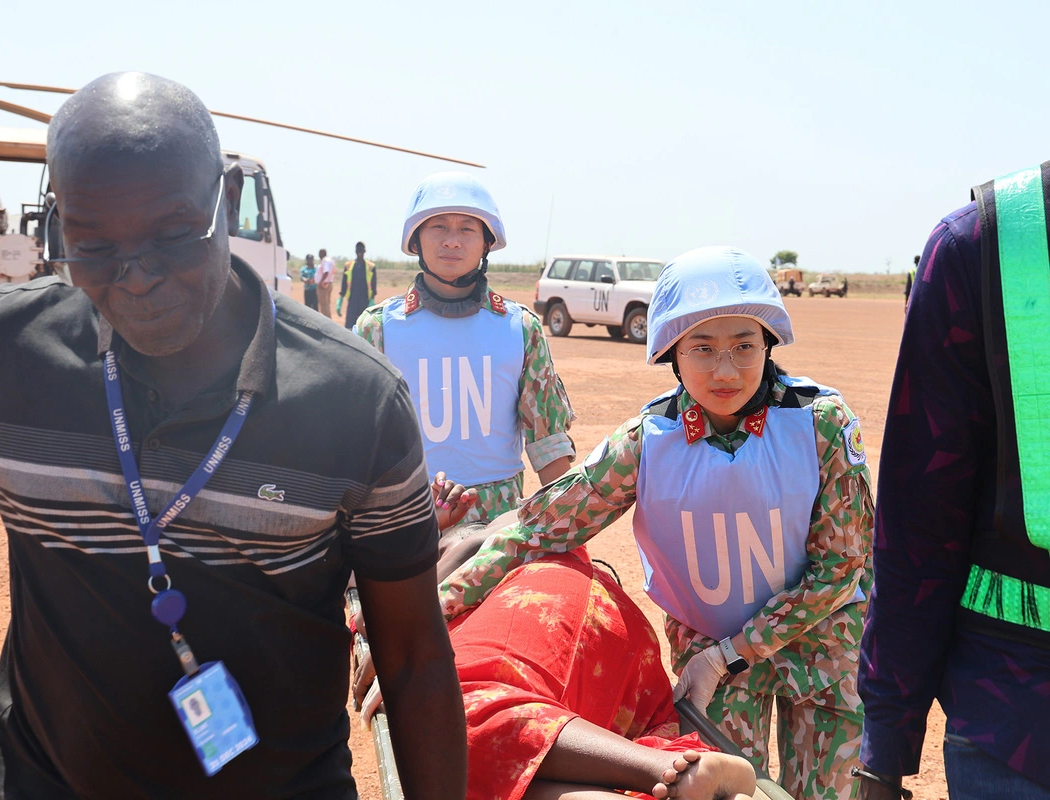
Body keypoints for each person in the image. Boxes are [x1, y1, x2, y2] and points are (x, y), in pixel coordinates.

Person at [0, 72, 466, 799]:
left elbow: (414, 656)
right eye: (93, 246)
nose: (136, 277)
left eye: (173, 235)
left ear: (221, 205)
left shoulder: (356, 401)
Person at [440, 246, 875, 800]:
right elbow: (538, 526)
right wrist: (433, 612)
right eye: (703, 348)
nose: (725, 369)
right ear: (672, 352)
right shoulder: (649, 441)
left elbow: (841, 570)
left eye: (745, 346)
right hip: (713, 665)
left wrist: (731, 651)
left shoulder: (821, 426)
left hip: (821, 650)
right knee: (728, 793)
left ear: (769, 344)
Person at [357, 477, 758, 800]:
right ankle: (669, 780)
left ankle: (658, 768)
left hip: (548, 606)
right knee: (488, 774)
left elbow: (375, 610)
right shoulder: (534, 533)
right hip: (612, 642)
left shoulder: (478, 540)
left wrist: (433, 542)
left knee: (440, 721)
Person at [857, 162, 1050, 799]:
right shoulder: (984, 248)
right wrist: (886, 741)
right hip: (1019, 728)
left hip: (1014, 719)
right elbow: (921, 518)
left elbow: (920, 522)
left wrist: (883, 754)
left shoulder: (979, 244)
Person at [353, 172, 575, 522]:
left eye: (467, 229)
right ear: (416, 242)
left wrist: (568, 532)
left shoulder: (521, 328)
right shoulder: (377, 329)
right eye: (438, 227)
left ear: (487, 242)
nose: (452, 241)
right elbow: (355, 445)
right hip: (404, 520)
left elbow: (548, 446)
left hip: (497, 530)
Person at [337, 241, 375, 330]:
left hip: (365, 301)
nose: (359, 251)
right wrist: (340, 300)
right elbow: (344, 283)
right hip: (352, 300)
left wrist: (372, 299)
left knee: (365, 326)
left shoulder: (371, 266)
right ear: (355, 251)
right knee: (349, 327)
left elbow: (373, 285)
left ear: (365, 251)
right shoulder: (348, 265)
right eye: (358, 249)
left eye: (361, 249)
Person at [316, 248, 335, 317]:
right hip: (329, 283)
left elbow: (326, 271)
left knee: (324, 305)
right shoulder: (331, 260)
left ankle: (326, 321)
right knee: (327, 304)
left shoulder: (325, 261)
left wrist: (321, 282)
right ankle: (328, 320)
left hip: (323, 285)